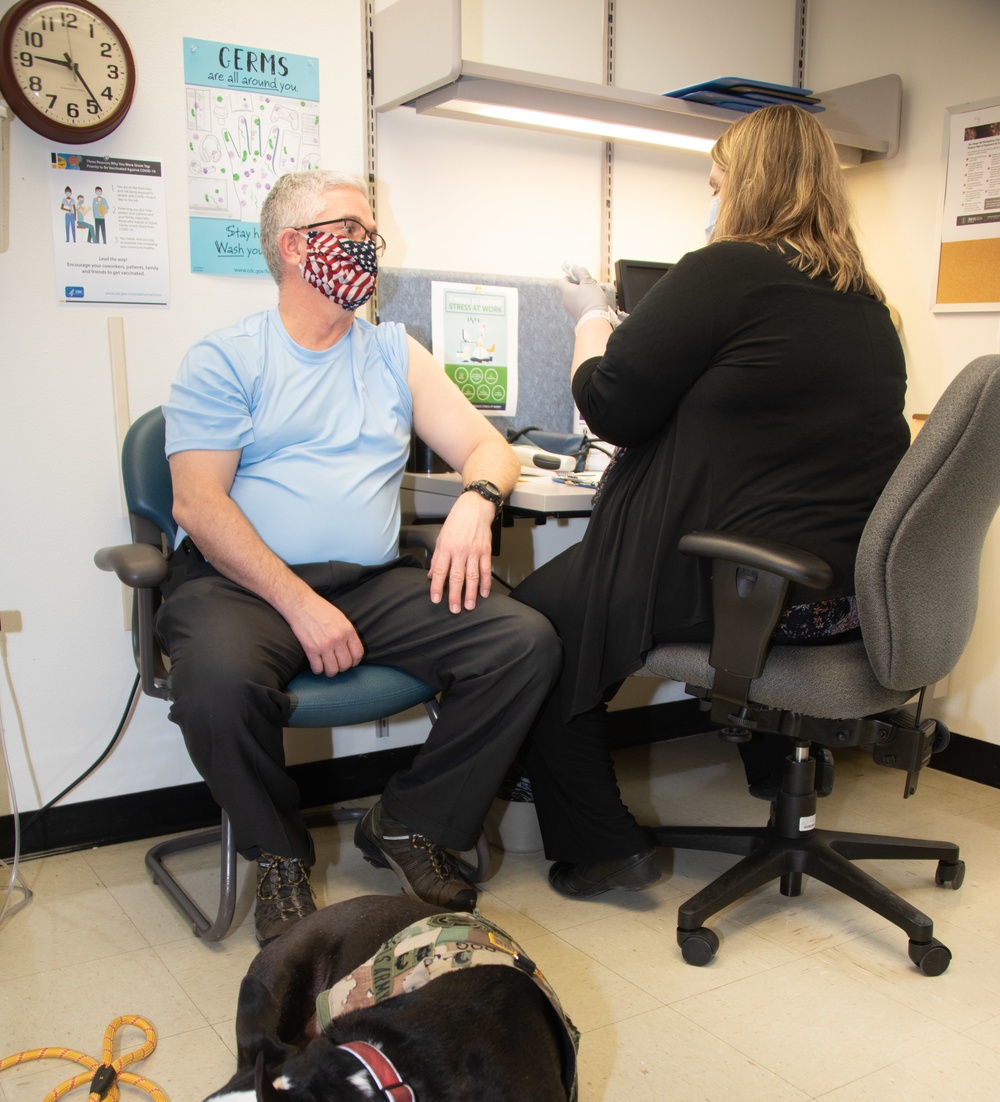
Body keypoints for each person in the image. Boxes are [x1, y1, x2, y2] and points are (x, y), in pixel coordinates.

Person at [511, 105, 909, 898]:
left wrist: (592, 320)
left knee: (535, 623)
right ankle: (775, 771)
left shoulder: (728, 269)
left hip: (746, 585)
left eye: (717, 181)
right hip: (837, 594)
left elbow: (612, 406)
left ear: (748, 185)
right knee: (609, 586)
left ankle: (599, 846)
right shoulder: (866, 303)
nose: (713, 197)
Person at [159, 169, 559, 944]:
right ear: (294, 246)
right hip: (241, 586)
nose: (369, 247)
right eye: (352, 230)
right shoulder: (226, 359)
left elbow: (488, 447)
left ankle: (410, 823)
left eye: (371, 233)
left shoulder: (391, 353)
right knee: (215, 686)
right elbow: (198, 505)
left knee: (522, 643)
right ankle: (277, 858)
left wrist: (479, 499)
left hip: (373, 580)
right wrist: (299, 603)